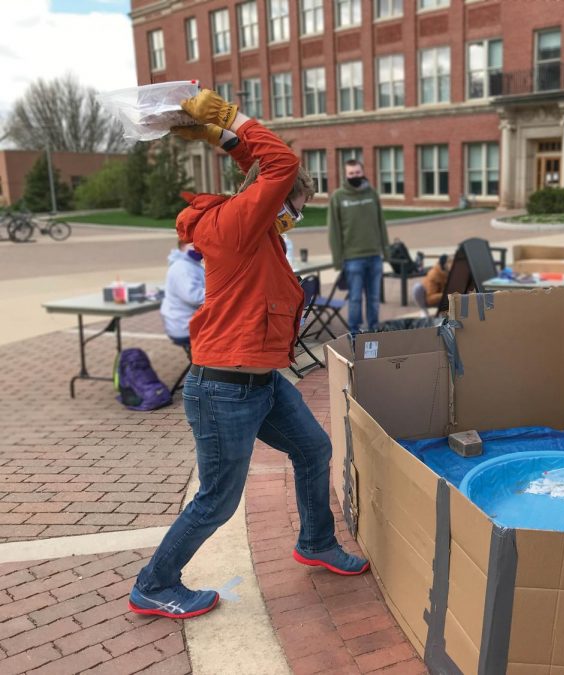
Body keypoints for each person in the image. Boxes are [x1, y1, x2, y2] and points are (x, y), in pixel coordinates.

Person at [128, 89, 368, 621]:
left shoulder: (260, 237)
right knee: (217, 498)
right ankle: (154, 584)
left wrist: (225, 139)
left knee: (313, 451)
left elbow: (262, 174)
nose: (295, 219)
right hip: (224, 389)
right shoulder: (237, 227)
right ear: (274, 201)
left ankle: (317, 543)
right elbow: (278, 164)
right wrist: (229, 119)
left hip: (263, 384)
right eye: (296, 209)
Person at [327, 159, 389, 333]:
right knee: (355, 299)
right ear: (346, 176)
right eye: (351, 173)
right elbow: (334, 231)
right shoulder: (338, 197)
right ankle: (354, 335)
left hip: (375, 256)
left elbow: (380, 223)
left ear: (362, 172)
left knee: (374, 298)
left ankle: (374, 331)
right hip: (352, 259)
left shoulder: (372, 194)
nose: (355, 176)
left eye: (357, 172)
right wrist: (338, 260)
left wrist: (386, 250)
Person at [160, 240, 205, 347]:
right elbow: (194, 297)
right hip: (185, 326)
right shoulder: (182, 268)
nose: (199, 249)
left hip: (187, 323)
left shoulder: (191, 264)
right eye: (194, 246)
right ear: (182, 246)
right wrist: (220, 294)